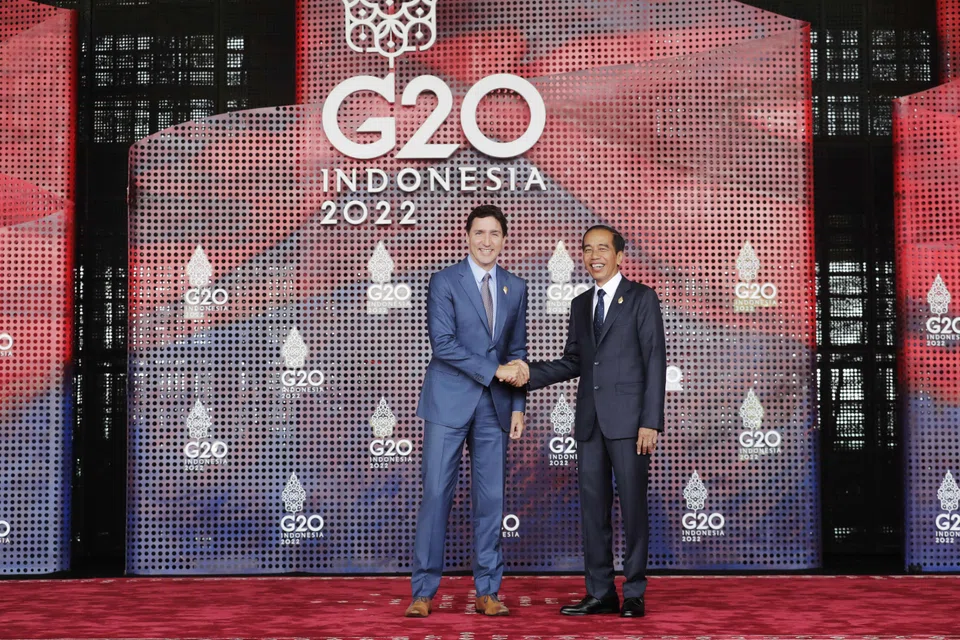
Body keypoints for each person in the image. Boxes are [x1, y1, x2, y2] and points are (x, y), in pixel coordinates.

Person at [510, 224, 665, 618]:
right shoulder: (581, 303)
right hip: (589, 423)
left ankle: (633, 592)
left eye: (602, 248)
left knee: (632, 509)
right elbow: (576, 361)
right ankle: (600, 592)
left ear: (619, 255)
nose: (594, 255)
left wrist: (651, 421)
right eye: (587, 249)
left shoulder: (642, 298)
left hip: (631, 424)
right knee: (593, 511)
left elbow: (655, 362)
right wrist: (528, 374)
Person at [405, 204, 530, 618]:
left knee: (491, 500)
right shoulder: (444, 281)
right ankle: (423, 591)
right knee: (437, 496)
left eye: (495, 233)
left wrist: (517, 405)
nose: (486, 241)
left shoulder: (516, 286)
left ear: (504, 240)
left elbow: (516, 354)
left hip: (495, 407)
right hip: (448, 404)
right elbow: (442, 344)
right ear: (467, 236)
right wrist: (493, 369)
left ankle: (488, 591)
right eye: (479, 233)